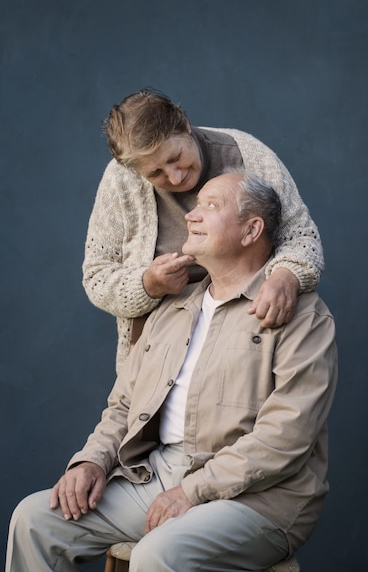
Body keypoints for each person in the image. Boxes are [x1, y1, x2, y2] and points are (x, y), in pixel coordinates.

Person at [6, 171, 337, 572]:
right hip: (158, 475)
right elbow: (123, 405)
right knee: (35, 519)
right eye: (195, 206)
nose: (192, 216)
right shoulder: (172, 309)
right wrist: (91, 462)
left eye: (211, 206)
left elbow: (286, 437)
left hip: (261, 498)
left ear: (251, 230)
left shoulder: (302, 316)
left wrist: (192, 491)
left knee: (159, 553)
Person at [82, 88, 325, 372]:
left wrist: (287, 278)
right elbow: (97, 277)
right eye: (155, 174)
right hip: (156, 352)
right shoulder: (121, 181)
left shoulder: (250, 156)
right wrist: (148, 284)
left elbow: (301, 236)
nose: (175, 176)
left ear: (185, 123)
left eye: (176, 158)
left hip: (248, 336)